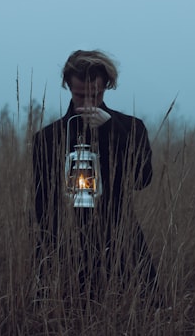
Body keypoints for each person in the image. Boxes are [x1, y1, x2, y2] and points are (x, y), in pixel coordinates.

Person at [32, 49, 159, 302]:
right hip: (65, 239)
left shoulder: (130, 127)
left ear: (107, 87)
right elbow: (41, 200)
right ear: (68, 86)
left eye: (96, 95)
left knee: (146, 308)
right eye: (80, 95)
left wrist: (111, 130)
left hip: (121, 234)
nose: (88, 103)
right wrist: (55, 245)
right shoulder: (48, 137)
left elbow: (142, 179)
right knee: (61, 317)